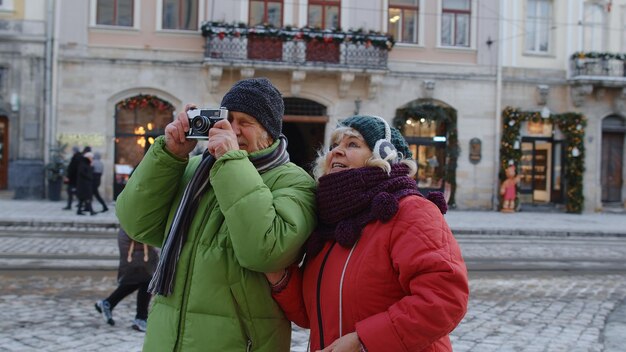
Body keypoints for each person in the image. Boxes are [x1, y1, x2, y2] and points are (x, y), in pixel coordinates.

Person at [115, 78, 317, 351]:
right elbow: (136, 223)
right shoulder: (196, 169)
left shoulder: (294, 181)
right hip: (167, 338)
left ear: (269, 132)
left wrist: (231, 161)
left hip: (239, 342)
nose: (233, 129)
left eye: (245, 122)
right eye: (227, 118)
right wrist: (169, 155)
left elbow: (266, 250)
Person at [265, 115, 469, 352]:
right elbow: (312, 315)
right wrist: (278, 274)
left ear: (382, 155)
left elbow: (445, 299)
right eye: (335, 146)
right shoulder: (330, 221)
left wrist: (364, 341)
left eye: (352, 144)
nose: (337, 152)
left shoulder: (411, 211)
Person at [95, 228, 158, 332]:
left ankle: (108, 303)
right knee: (145, 280)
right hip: (135, 239)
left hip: (136, 238)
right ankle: (140, 318)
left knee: (141, 279)